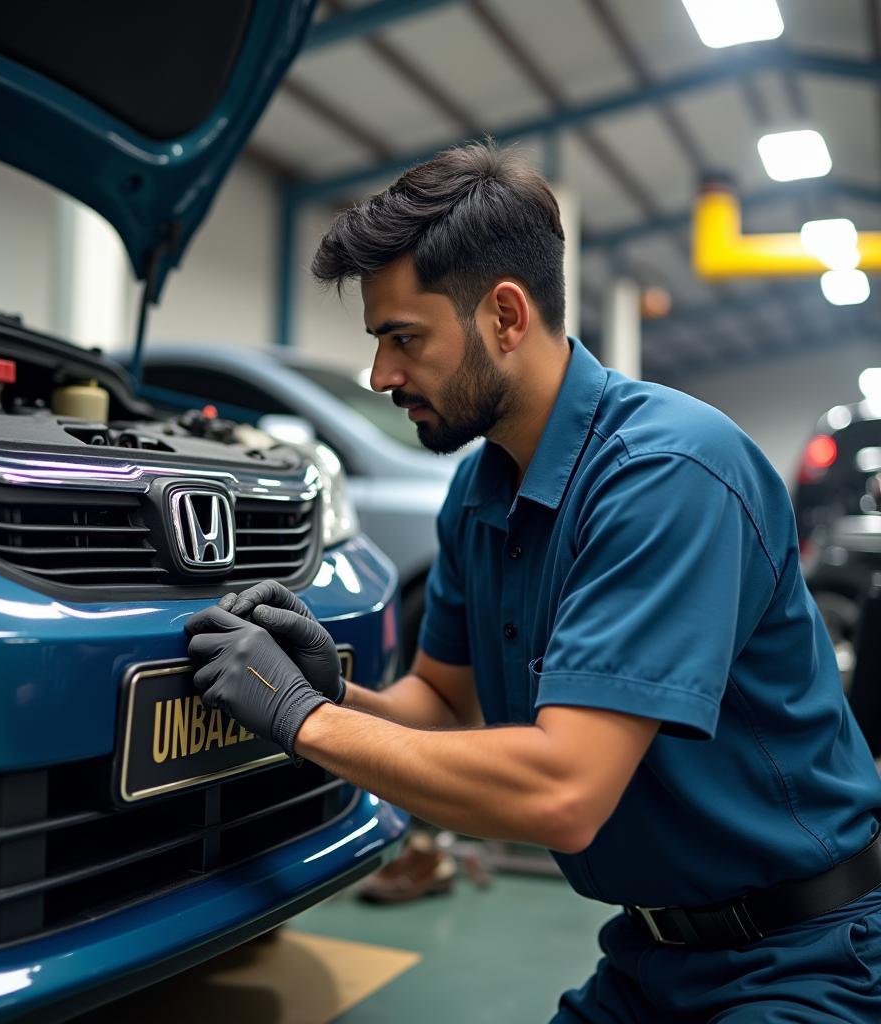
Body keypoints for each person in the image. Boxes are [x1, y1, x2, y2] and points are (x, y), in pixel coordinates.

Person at [185, 142, 881, 1022]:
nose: (382, 376)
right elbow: (442, 705)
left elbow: (564, 792)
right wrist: (338, 690)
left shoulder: (666, 473)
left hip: (807, 960)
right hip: (648, 959)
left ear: (505, 316)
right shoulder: (480, 493)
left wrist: (302, 720)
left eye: (404, 338)